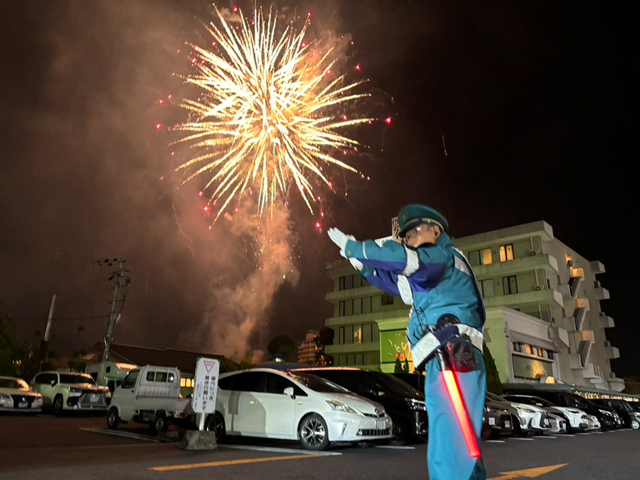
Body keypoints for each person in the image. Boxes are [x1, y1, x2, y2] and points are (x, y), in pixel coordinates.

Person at [328, 204, 487, 480]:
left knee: (450, 447)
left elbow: (404, 261)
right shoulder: (434, 270)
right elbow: (395, 281)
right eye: (406, 235)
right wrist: (361, 264)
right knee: (459, 446)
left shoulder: (440, 256)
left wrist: (356, 248)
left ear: (436, 230)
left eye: (414, 232)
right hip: (450, 358)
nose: (408, 239)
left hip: (452, 356)